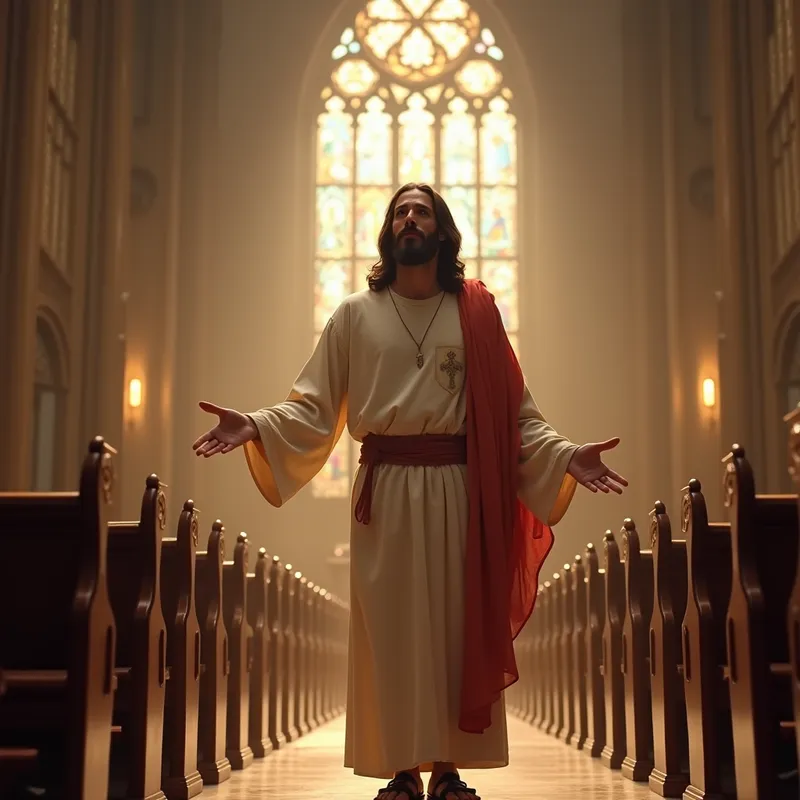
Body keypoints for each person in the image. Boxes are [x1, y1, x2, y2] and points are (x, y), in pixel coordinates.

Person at [192, 183, 627, 800]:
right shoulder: (353, 315)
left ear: (443, 230)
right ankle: (400, 770)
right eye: (401, 211)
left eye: (422, 210)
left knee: (454, 630)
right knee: (390, 632)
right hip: (384, 492)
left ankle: (448, 771)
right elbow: (314, 405)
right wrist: (258, 425)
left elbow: (516, 413)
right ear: (388, 232)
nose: (410, 219)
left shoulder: (475, 313)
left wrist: (562, 456)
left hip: (459, 491)